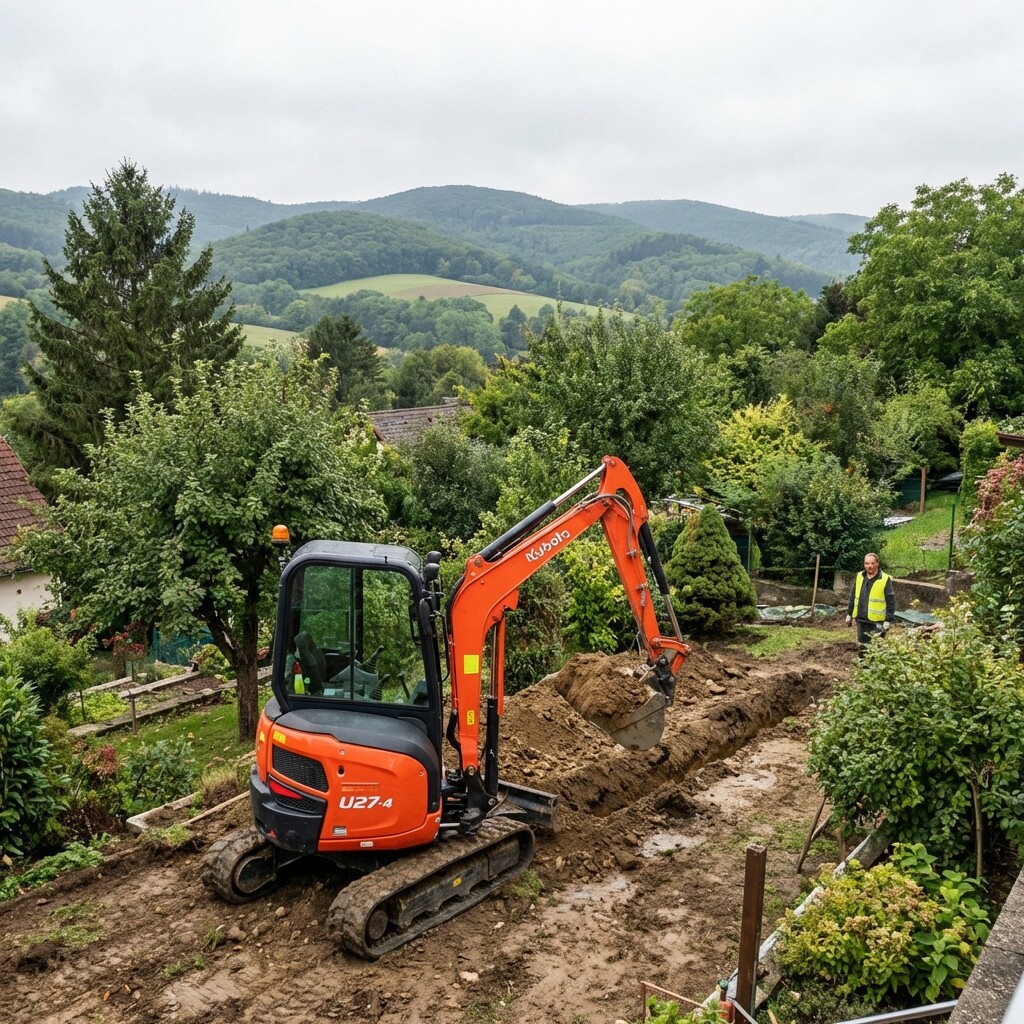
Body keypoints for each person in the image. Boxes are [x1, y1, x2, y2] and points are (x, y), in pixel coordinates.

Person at [846, 552, 896, 652]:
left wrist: (888, 620)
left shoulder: (884, 579)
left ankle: (874, 667)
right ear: (864, 564)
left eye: (872, 563)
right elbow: (853, 595)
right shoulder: (860, 576)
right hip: (861, 619)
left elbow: (891, 600)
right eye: (867, 564)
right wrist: (849, 614)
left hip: (877, 621)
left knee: (875, 649)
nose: (870, 566)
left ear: (877, 564)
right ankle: (863, 666)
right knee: (862, 647)